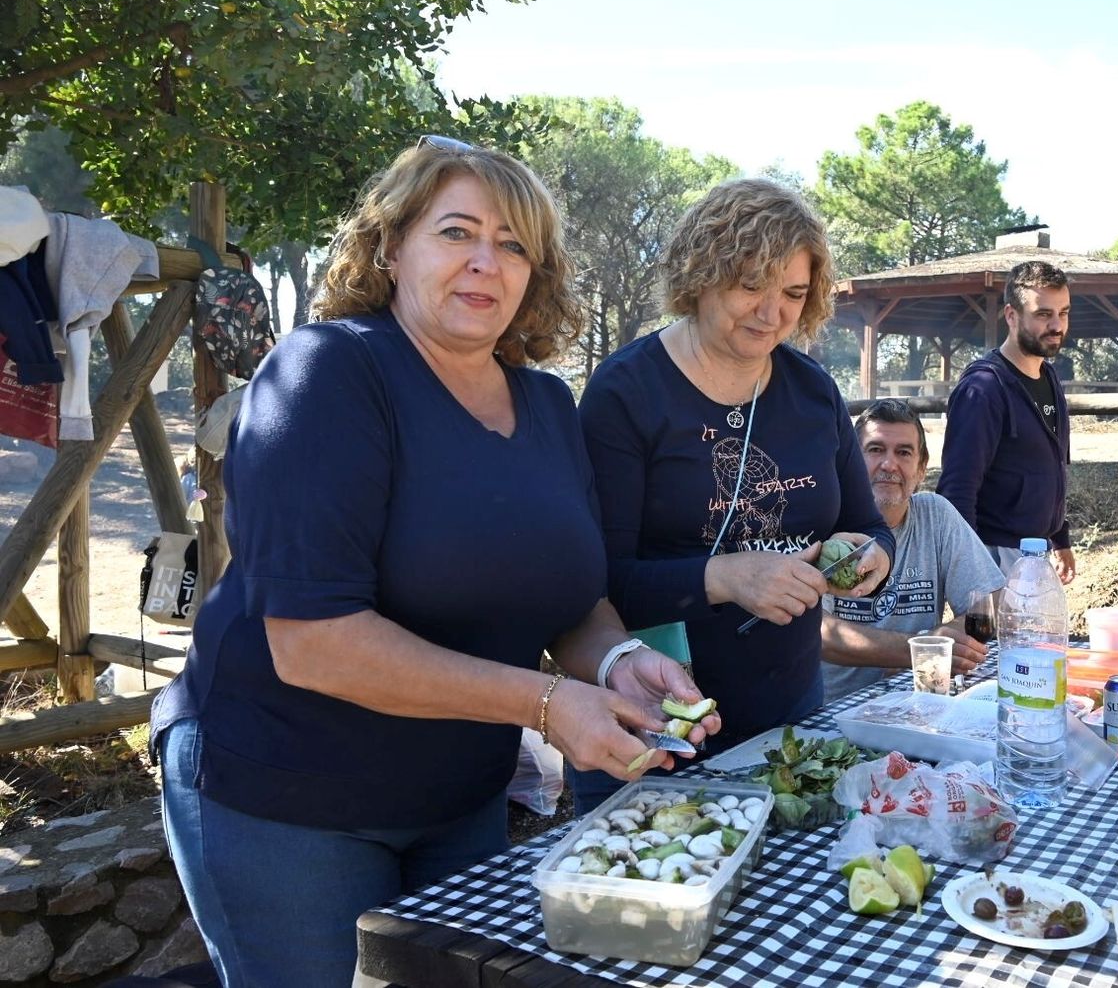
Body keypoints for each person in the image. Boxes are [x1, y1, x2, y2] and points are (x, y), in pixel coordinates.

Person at [149, 137, 717, 987]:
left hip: (459, 796)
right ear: (390, 246)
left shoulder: (548, 404)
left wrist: (621, 661)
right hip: (286, 791)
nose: (487, 261)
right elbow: (313, 642)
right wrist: (550, 702)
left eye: (514, 244)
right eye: (457, 232)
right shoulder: (325, 372)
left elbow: (568, 595)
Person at [578, 178, 893, 805]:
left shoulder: (812, 391)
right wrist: (723, 578)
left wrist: (870, 559)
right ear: (701, 275)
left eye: (794, 294)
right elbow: (593, 583)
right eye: (750, 285)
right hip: (655, 721)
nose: (772, 313)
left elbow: (869, 525)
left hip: (789, 714)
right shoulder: (626, 393)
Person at [820, 399, 1005, 702]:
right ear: (848, 463)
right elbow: (820, 635)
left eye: (904, 453)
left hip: (917, 704)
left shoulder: (936, 514)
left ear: (921, 470)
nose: (889, 465)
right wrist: (916, 651)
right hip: (834, 717)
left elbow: (993, 601)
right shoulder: (825, 522)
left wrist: (947, 637)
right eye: (875, 449)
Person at [936, 260, 1074, 582]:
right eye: (1043, 314)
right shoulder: (983, 390)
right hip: (994, 556)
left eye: (1063, 312)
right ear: (1011, 316)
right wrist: (974, 572)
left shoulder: (1048, 376)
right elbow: (958, 489)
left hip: (1035, 554)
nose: (1056, 325)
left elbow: (1050, 464)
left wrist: (1060, 537)